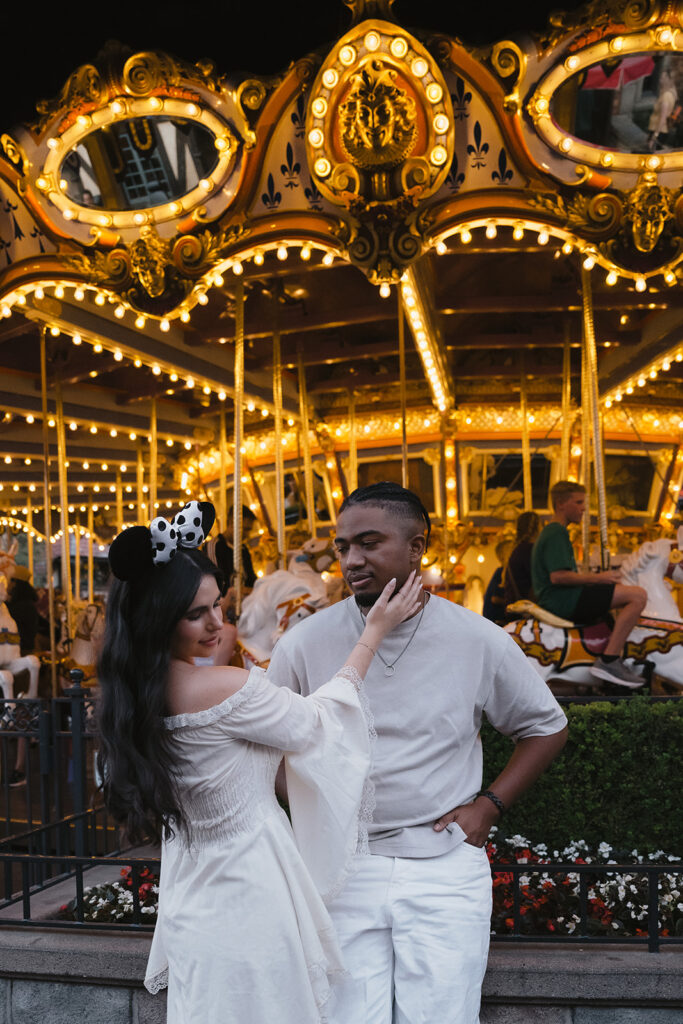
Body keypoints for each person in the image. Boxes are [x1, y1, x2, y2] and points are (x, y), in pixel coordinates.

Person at [97, 499, 422, 1024]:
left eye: (218, 604)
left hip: (194, 901)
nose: (216, 622)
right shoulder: (225, 686)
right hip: (251, 896)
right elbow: (319, 722)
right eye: (195, 613)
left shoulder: (132, 695)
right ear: (159, 619)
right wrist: (373, 633)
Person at [268, 481, 568, 1024]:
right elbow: (266, 750)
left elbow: (546, 726)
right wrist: (317, 810)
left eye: (369, 542)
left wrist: (489, 806)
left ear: (416, 546)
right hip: (340, 869)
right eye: (342, 547)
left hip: (444, 867)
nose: (351, 560)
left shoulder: (478, 638)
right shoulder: (302, 643)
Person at [531, 480, 647, 687]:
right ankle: (610, 660)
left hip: (561, 598)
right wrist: (599, 578)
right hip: (563, 601)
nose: (584, 508)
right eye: (578, 502)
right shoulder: (556, 532)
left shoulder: (554, 532)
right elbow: (558, 577)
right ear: (560, 504)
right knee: (638, 595)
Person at [503, 510, 540, 607]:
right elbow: (537, 580)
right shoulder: (530, 550)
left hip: (515, 606)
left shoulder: (517, 549)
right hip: (525, 609)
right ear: (537, 528)